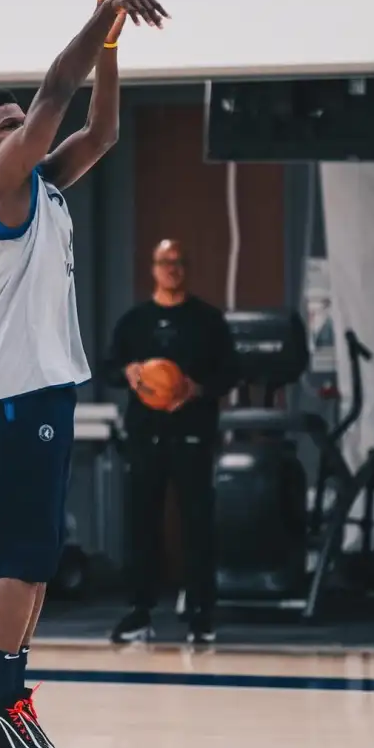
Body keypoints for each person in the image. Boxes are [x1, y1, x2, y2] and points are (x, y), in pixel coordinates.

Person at [0, 0, 169, 748]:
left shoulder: (42, 187)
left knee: (39, 549)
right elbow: (54, 96)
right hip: (14, 384)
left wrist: (111, 46)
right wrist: (98, 15)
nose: (28, 129)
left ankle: (10, 687)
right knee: (20, 546)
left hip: (42, 381)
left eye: (23, 123)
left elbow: (101, 130)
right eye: (9, 126)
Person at [103, 239, 238, 645]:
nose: (172, 268)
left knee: (197, 524)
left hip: (192, 432)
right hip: (145, 434)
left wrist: (197, 388)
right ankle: (139, 612)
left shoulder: (208, 321)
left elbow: (230, 373)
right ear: (153, 268)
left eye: (178, 261)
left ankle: (201, 614)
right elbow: (108, 368)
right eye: (165, 261)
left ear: (186, 268)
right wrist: (128, 372)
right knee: (141, 524)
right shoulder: (135, 322)